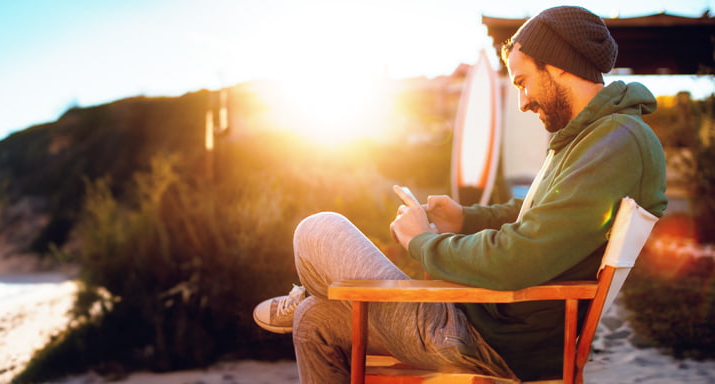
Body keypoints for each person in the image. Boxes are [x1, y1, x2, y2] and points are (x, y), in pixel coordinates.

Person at [253, 5, 668, 382]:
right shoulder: (595, 139)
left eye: (523, 82)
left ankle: (311, 286)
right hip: (487, 324)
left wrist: (423, 241)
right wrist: (466, 219)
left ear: (559, 65)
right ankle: (309, 296)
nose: (522, 101)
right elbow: (536, 216)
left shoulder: (617, 142)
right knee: (314, 320)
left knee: (318, 229)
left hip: (491, 341)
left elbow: (520, 257)